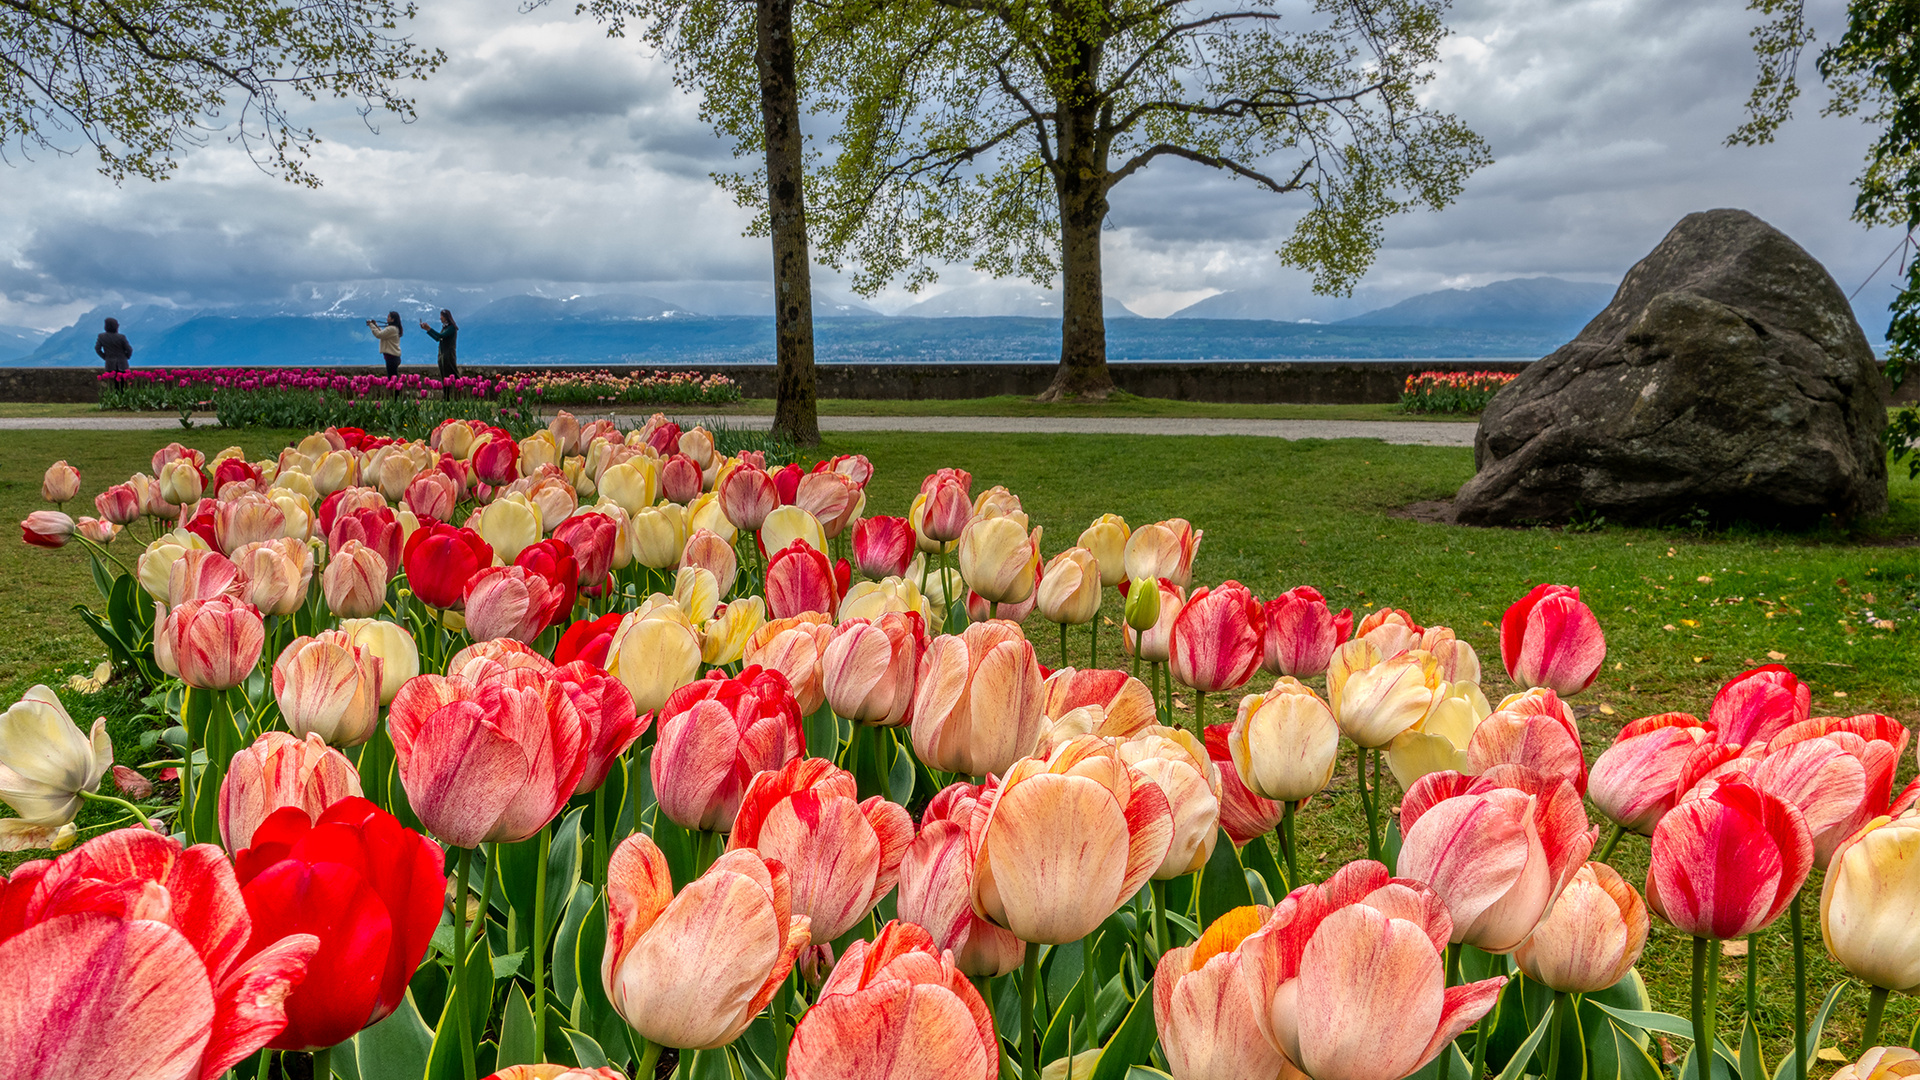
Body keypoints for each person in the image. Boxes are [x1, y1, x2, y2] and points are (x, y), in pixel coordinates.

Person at [419, 309, 458, 396]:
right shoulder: (445, 327)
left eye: (441, 316)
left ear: (445, 317)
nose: (440, 318)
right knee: (444, 376)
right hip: (442, 354)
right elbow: (438, 339)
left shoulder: (451, 328)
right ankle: (446, 395)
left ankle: (453, 394)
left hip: (448, 355)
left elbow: (441, 336)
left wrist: (429, 328)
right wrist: (427, 330)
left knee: (450, 375)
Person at [367, 311, 402, 375]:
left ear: (392, 319)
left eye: (388, 317)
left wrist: (371, 325)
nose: (387, 318)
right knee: (393, 376)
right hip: (393, 357)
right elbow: (383, 333)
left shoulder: (391, 329)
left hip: (392, 358)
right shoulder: (393, 328)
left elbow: (379, 335)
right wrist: (376, 325)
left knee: (392, 377)